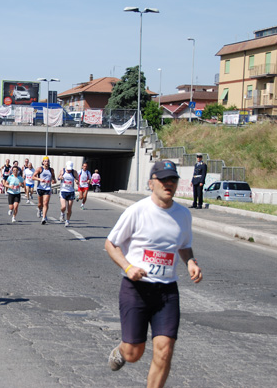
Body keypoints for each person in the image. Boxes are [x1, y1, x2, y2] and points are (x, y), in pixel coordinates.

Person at [105, 160, 203, 387]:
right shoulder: (137, 211)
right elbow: (111, 244)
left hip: (167, 291)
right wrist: (128, 268)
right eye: (163, 179)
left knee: (165, 349)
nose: (169, 183)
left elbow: (184, 246)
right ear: (151, 183)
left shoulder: (183, 215)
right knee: (133, 354)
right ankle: (121, 349)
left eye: (173, 179)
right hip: (136, 289)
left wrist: (191, 262)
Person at [32, 156, 56, 225]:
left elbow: (53, 177)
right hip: (40, 188)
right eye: (45, 161)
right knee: (40, 204)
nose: (46, 162)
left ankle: (44, 217)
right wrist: (40, 179)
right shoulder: (40, 169)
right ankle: (39, 209)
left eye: (47, 161)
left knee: (45, 203)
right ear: (43, 162)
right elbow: (33, 177)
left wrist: (54, 180)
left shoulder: (51, 170)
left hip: (47, 188)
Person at [58, 161, 79, 227]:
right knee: (63, 206)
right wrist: (60, 178)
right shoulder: (63, 170)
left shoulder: (74, 172)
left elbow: (77, 179)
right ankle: (62, 214)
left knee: (69, 208)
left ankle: (67, 221)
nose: (69, 170)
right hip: (63, 191)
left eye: (70, 169)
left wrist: (76, 181)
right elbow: (58, 177)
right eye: (68, 169)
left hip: (71, 191)